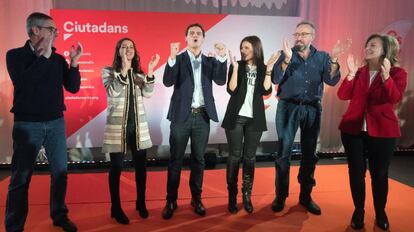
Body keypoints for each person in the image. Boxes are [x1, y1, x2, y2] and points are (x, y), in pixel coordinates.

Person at [5, 12, 82, 232]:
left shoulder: (58, 59)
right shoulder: (15, 55)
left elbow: (73, 87)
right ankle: (14, 226)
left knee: (60, 173)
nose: (56, 33)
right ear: (35, 30)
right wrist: (43, 58)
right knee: (21, 178)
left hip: (56, 123)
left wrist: (74, 63)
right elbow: (24, 83)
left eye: (56, 30)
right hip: (27, 125)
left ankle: (59, 215)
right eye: (52, 29)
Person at [270, 21, 350, 215]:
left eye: (304, 34)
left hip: (312, 108)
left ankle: (305, 196)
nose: (299, 37)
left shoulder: (322, 57)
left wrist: (335, 58)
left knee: (309, 154)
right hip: (287, 107)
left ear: (312, 36)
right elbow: (275, 79)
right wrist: (286, 60)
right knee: (283, 153)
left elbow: (331, 79)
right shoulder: (285, 54)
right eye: (296, 34)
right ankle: (280, 195)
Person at [338, 34, 407, 230]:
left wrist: (386, 77)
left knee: (379, 174)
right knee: (356, 173)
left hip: (384, 132)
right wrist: (350, 74)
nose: (368, 48)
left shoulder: (398, 73)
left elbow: (395, 97)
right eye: (367, 45)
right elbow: (343, 95)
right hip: (353, 131)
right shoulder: (359, 72)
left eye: (373, 45)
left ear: (385, 50)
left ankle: (380, 211)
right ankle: (358, 210)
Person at [162, 23, 227, 219]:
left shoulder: (210, 61)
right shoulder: (178, 59)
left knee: (199, 160)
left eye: (199, 33)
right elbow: (167, 81)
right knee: (176, 160)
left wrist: (222, 57)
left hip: (202, 116)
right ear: (186, 39)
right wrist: (171, 58)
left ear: (203, 38)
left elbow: (221, 80)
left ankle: (196, 198)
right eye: (192, 33)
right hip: (181, 116)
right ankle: (171, 200)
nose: (195, 36)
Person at [102, 38, 160, 224]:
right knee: (116, 168)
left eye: (131, 47)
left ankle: (141, 203)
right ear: (118, 51)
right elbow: (112, 92)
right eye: (124, 47)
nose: (128, 49)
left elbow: (149, 94)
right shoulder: (108, 72)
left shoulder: (139, 74)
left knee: (141, 168)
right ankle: (115, 207)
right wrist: (124, 69)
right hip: (117, 128)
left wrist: (150, 71)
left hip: (138, 127)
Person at [222, 35, 279, 214]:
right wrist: (236, 69)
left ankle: (247, 196)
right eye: (241, 48)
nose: (243, 51)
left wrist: (269, 69)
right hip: (236, 117)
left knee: (250, 158)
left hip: (255, 119)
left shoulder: (262, 68)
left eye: (246, 48)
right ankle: (232, 196)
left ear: (255, 48)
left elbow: (266, 90)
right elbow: (231, 89)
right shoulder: (236, 65)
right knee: (234, 156)